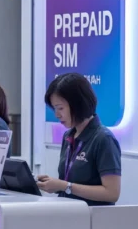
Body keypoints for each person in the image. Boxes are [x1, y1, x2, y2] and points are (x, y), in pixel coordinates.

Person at [37, 72, 122, 206]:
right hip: (68, 215)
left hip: (93, 221)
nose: (57, 114)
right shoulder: (68, 136)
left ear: (78, 104)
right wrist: (55, 185)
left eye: (61, 108)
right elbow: (68, 184)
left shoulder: (103, 139)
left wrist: (65, 186)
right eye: (55, 108)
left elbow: (111, 193)